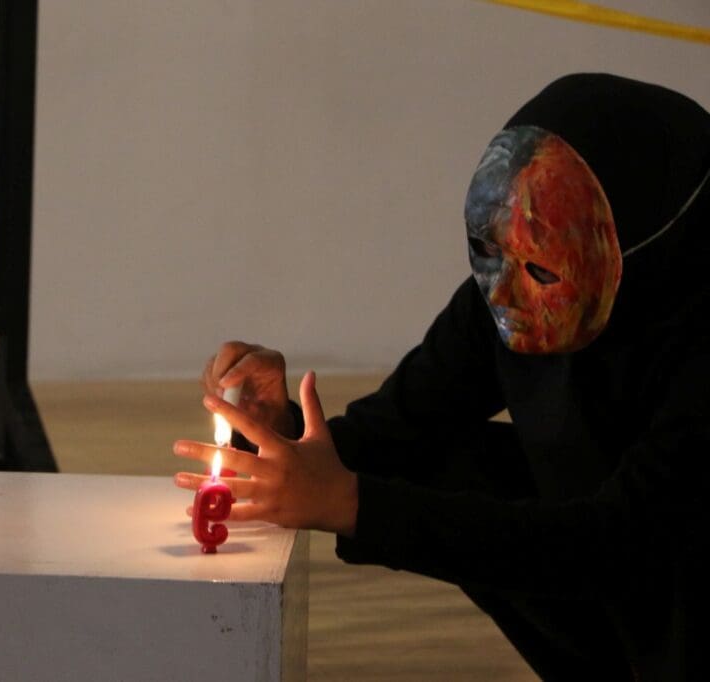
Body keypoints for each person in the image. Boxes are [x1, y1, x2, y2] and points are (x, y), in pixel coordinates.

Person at [173, 73, 710, 680]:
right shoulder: (505, 290)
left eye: (541, 269)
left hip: (670, 576)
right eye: (487, 249)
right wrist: (279, 432)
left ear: (643, 256)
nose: (501, 293)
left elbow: (620, 540)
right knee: (444, 457)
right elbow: (401, 429)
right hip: (624, 582)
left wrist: (350, 504)